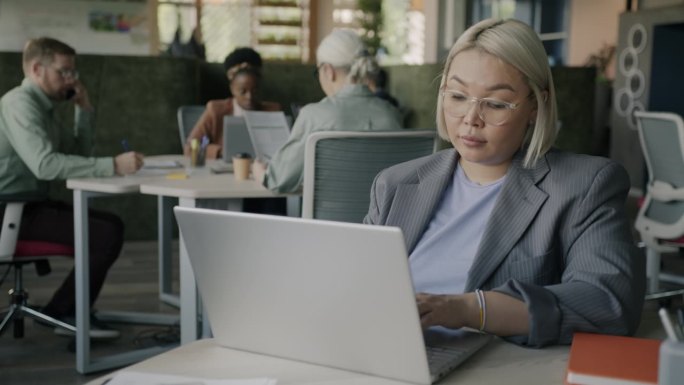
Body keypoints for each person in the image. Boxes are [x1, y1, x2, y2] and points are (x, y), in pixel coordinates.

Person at [363, 19, 645, 347]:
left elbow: (608, 302)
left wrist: (469, 309)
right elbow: (358, 285)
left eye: (496, 104)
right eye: (457, 96)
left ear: (534, 107)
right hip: (385, 351)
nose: (471, 118)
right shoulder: (396, 184)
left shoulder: (584, 186)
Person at [0, 37, 144, 338]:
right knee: (105, 233)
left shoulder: (45, 109)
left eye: (73, 73)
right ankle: (64, 313)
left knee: (110, 225)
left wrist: (83, 109)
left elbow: (80, 154)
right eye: (64, 72)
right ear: (37, 68)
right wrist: (114, 165)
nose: (70, 79)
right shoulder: (19, 104)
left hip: (29, 204)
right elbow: (46, 165)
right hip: (9, 211)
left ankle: (61, 311)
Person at [252, 29, 402, 193]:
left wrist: (259, 172)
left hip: (326, 218)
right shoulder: (391, 113)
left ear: (328, 71)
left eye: (318, 72)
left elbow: (278, 180)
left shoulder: (314, 115)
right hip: (383, 217)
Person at [184, 47, 280, 159]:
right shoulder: (216, 109)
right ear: (232, 86)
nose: (249, 96)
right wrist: (221, 151)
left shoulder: (272, 111)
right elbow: (190, 147)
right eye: (242, 90)